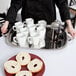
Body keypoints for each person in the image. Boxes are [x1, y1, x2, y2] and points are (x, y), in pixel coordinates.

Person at [1, 0, 76, 38]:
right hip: (28, 23)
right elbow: (15, 4)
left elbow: (62, 3)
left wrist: (69, 25)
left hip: (48, 24)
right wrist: (7, 22)